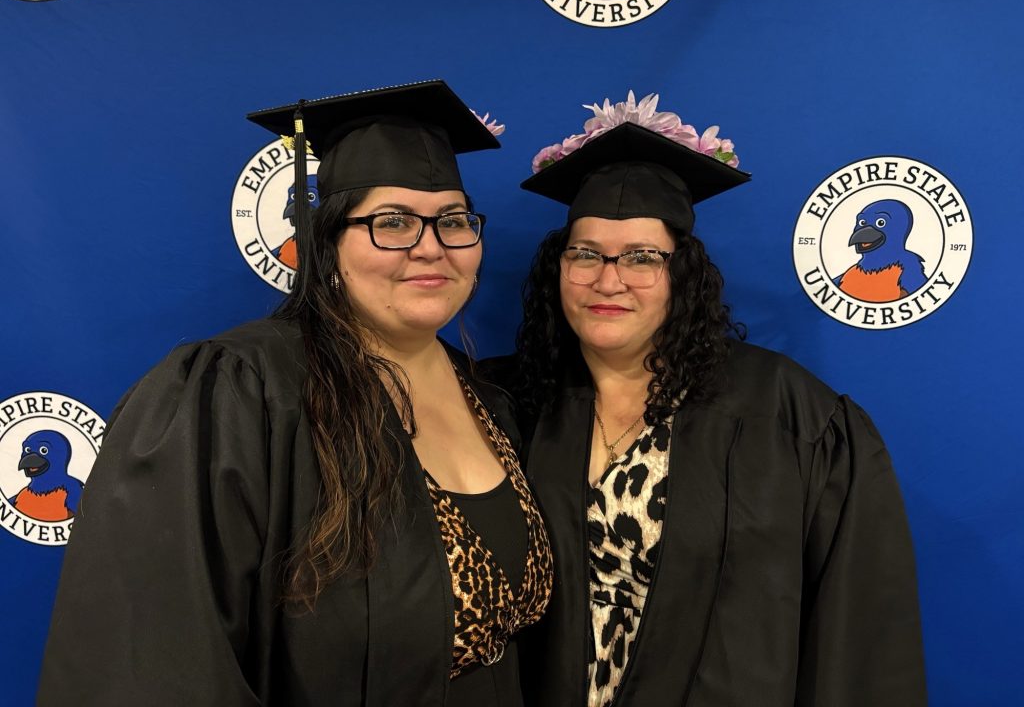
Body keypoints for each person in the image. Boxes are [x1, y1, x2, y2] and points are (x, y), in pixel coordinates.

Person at [38, 81, 553, 707]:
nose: (430, 246)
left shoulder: (489, 400)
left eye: (453, 220)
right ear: (328, 241)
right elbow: (157, 660)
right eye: (391, 222)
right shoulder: (243, 391)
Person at [490, 98, 927, 706]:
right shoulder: (507, 402)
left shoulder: (787, 413)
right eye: (585, 253)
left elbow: (859, 631)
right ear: (557, 267)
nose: (607, 279)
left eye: (643, 257)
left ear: (684, 274)